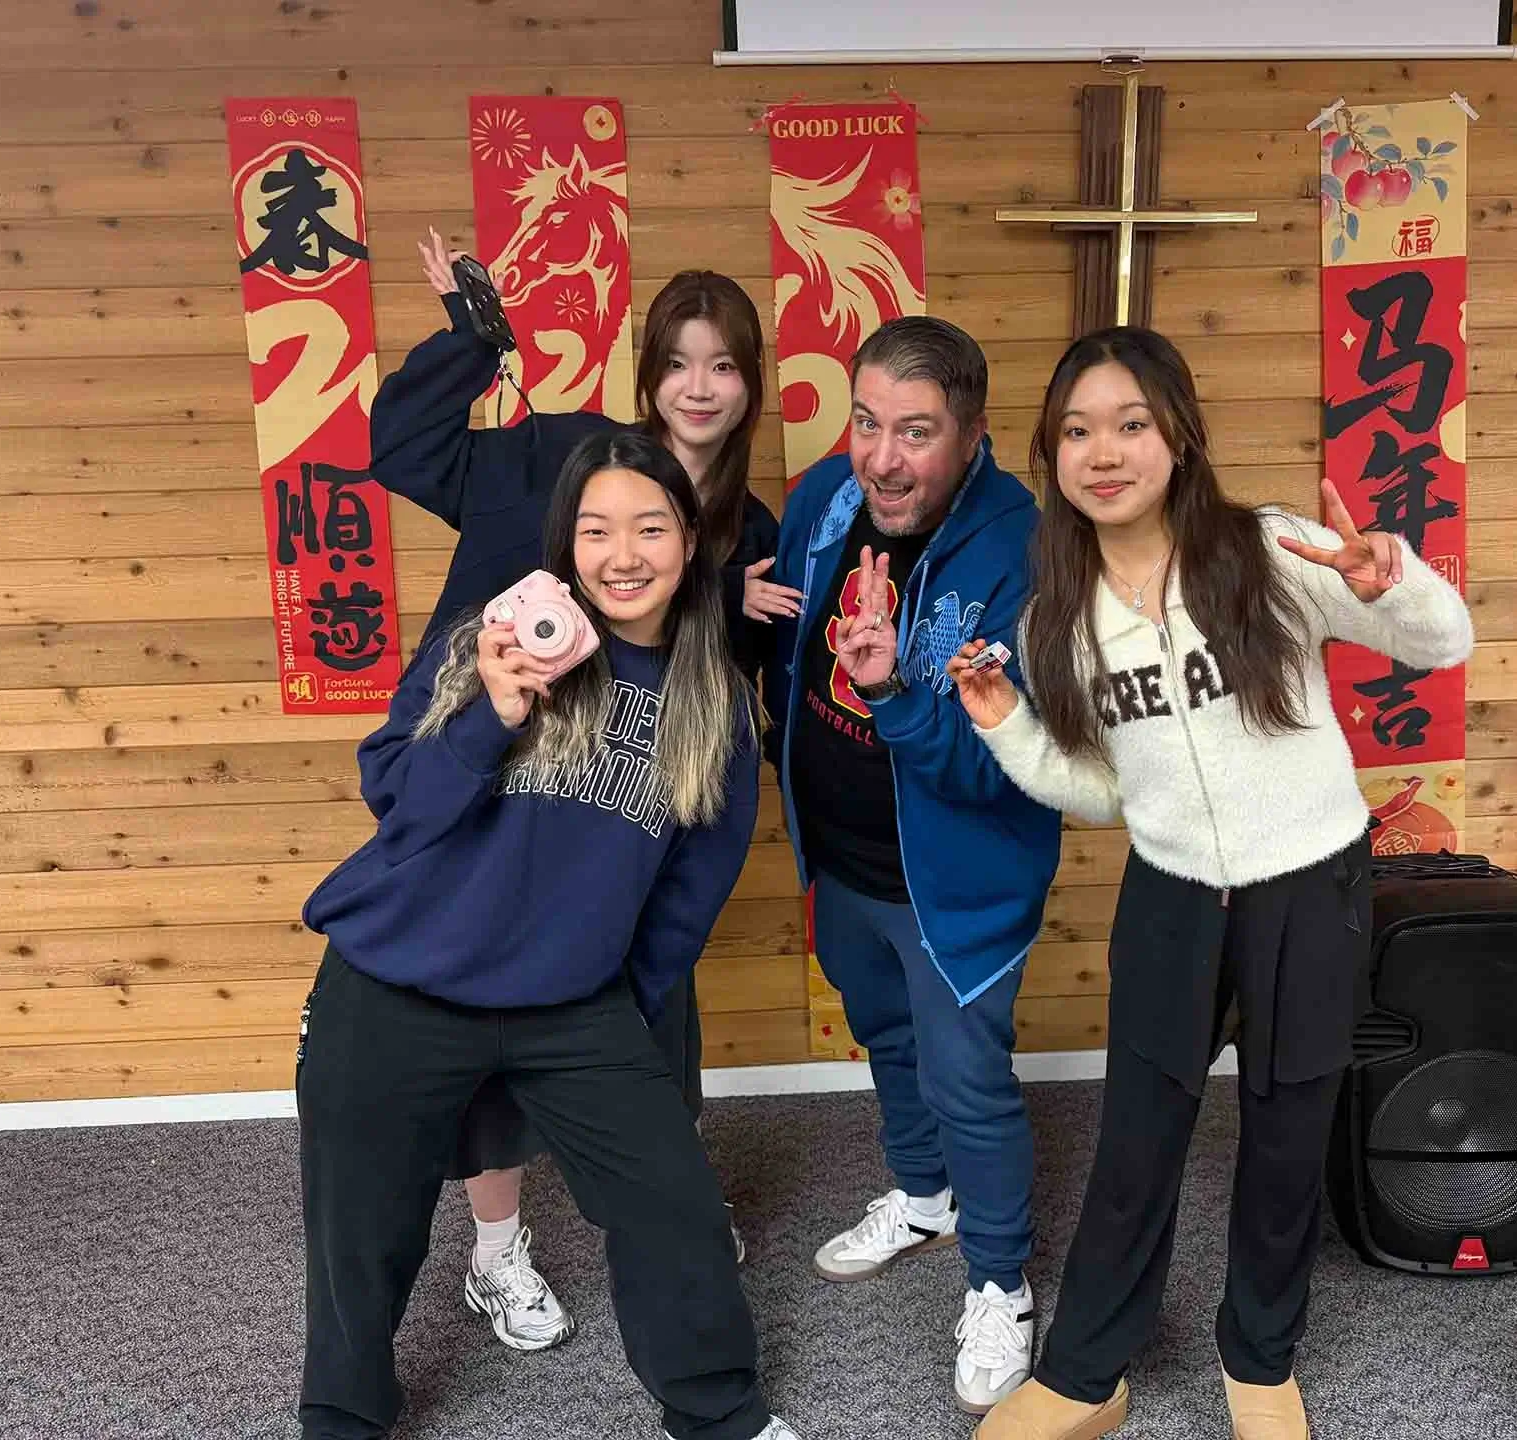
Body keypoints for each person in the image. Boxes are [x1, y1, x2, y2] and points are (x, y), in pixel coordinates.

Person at [951, 327, 1474, 1440]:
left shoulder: (1271, 548)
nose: (1106, 452)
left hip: (1310, 887)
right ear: (1052, 454)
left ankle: (1261, 1360)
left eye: (1131, 424)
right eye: (1079, 431)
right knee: (1137, 1141)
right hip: (1172, 899)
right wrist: (1004, 727)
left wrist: (1392, 577)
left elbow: (1444, 641)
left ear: (1179, 436)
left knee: (1288, 1132)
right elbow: (1102, 789)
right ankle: (1088, 1372)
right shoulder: (1059, 612)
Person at [295, 429, 801, 1440]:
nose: (624, 554)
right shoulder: (497, 639)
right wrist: (492, 712)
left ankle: (718, 1416)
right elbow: (397, 798)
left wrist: (610, 1009)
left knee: (676, 1208)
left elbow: (685, 901)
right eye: (596, 528)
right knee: (362, 1233)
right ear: (566, 542)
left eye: (650, 527)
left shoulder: (713, 705)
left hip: (571, 1007)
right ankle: (340, 1417)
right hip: (396, 983)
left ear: (690, 537)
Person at [364, 232, 797, 1348]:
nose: (699, 386)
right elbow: (405, 450)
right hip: (495, 773)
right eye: (678, 362)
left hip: (626, 825)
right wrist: (475, 337)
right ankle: (496, 1254)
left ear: (750, 384)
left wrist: (732, 613)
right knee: (483, 1017)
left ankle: (659, 1208)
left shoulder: (751, 531)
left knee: (651, 1009)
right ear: (647, 374)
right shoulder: (558, 450)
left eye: (725, 365)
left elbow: (719, 704)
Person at [760, 315, 1063, 1414]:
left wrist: (892, 694)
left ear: (974, 434)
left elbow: (1013, 770)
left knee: (968, 1083)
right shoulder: (822, 502)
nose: (883, 458)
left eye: (917, 433)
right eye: (868, 422)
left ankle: (998, 1281)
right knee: (885, 1038)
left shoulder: (1031, 557)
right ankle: (923, 1194)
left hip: (956, 884)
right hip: (839, 862)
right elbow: (790, 657)